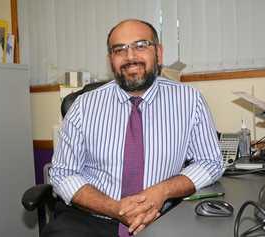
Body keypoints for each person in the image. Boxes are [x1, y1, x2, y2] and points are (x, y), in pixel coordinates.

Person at [43, 19, 223, 237]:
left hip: (160, 216)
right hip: (90, 218)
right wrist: (114, 208)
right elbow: (63, 173)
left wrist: (163, 191)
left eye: (140, 45)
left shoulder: (190, 100)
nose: (130, 57)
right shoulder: (84, 106)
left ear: (158, 52)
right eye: (119, 50)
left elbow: (210, 162)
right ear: (111, 59)